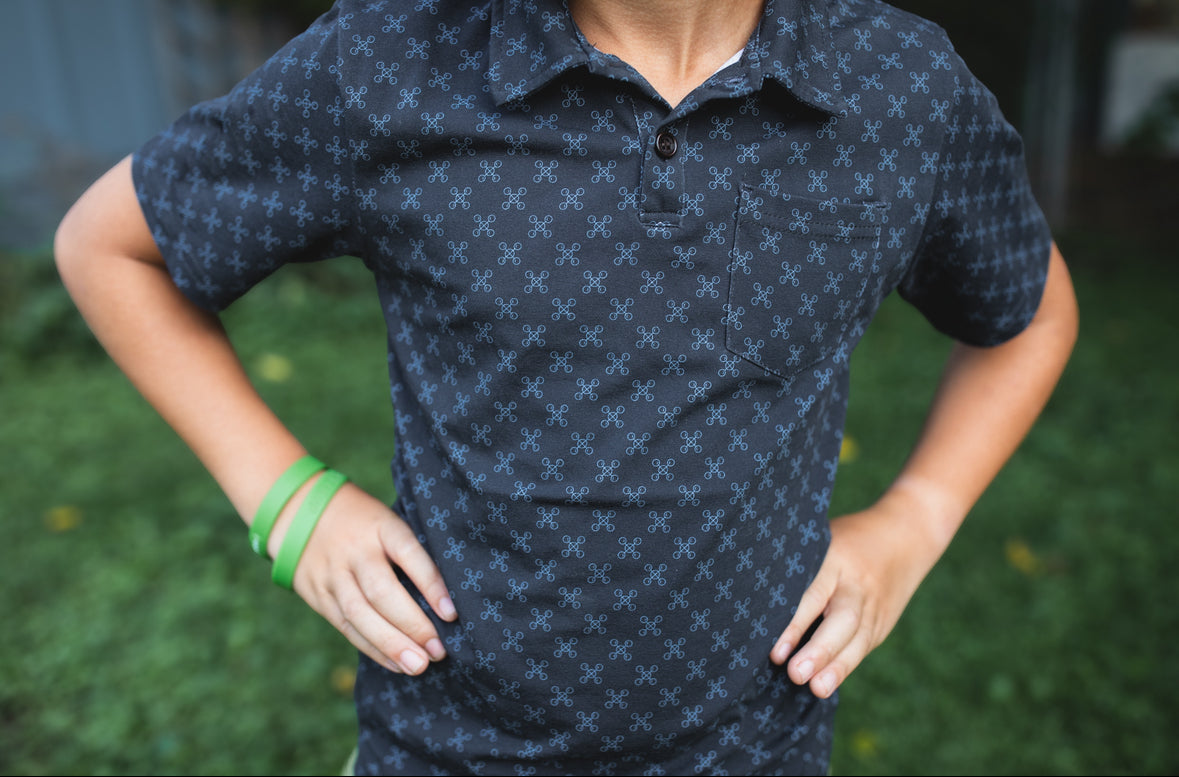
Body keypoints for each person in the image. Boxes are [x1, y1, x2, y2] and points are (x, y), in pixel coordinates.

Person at [55, 0, 1078, 773]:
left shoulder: (901, 88)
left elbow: (1029, 311)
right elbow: (112, 248)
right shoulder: (391, 61)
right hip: (446, 746)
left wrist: (917, 516)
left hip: (756, 747)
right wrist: (287, 501)